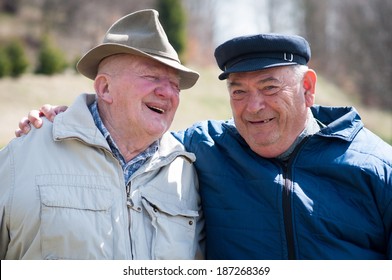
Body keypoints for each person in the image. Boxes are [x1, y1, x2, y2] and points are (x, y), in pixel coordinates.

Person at [14, 34, 392, 259]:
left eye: (270, 88)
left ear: (307, 88)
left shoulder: (377, 166)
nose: (253, 106)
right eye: (238, 91)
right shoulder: (206, 147)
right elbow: (132, 133)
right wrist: (69, 119)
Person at [0, 9, 204, 260]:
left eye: (175, 85)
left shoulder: (185, 171)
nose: (168, 93)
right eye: (152, 77)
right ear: (105, 88)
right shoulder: (23, 156)